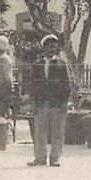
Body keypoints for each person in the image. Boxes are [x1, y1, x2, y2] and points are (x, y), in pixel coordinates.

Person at [27, 34, 70, 167]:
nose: (53, 49)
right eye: (50, 46)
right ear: (44, 48)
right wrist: (35, 100)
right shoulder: (37, 65)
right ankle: (40, 158)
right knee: (40, 132)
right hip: (42, 104)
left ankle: (54, 158)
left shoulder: (61, 64)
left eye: (55, 46)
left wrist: (63, 101)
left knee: (57, 132)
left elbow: (66, 84)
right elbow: (32, 84)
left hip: (57, 104)